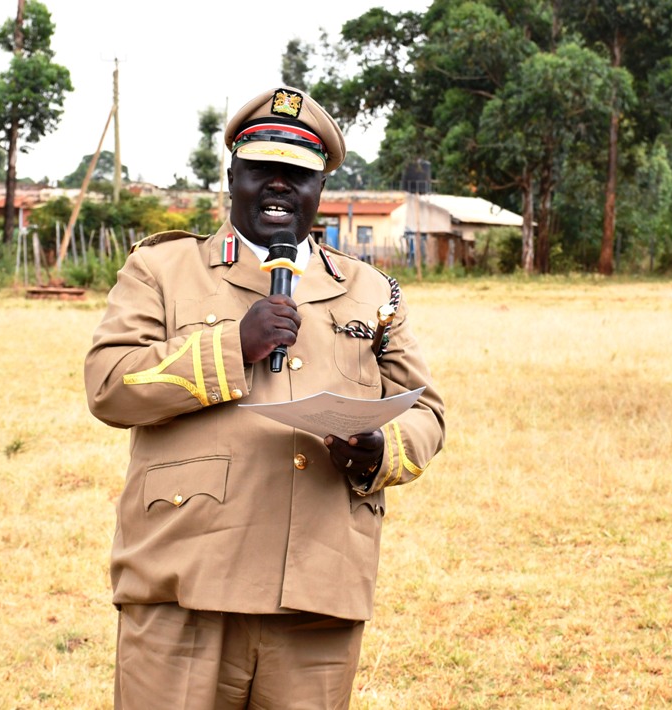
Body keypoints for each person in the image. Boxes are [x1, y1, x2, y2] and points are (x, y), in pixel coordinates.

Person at [84, 86, 446, 708]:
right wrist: (233, 346)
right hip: (185, 585)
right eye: (261, 170)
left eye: (297, 174)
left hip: (318, 594)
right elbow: (109, 385)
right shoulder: (163, 270)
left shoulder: (371, 290)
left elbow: (426, 412)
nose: (279, 185)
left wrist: (381, 449)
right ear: (232, 177)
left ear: (320, 187)